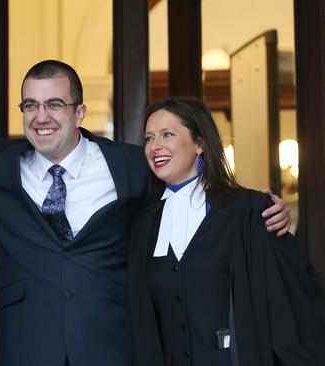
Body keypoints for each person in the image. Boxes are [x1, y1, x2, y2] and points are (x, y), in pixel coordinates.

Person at [0, 60, 291, 366]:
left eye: (54, 104)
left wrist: (257, 206)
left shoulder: (129, 165)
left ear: (79, 112)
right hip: (26, 345)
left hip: (112, 344)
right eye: (30, 105)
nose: (40, 116)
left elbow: (189, 190)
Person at [127, 97, 325, 365]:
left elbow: (289, 304)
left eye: (168, 134)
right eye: (149, 138)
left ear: (200, 144)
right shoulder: (143, 228)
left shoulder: (249, 211)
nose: (155, 146)